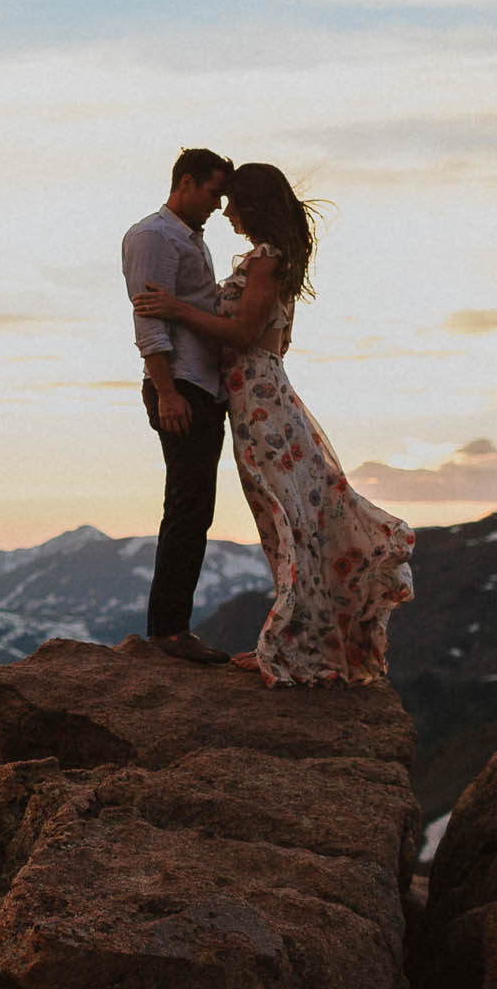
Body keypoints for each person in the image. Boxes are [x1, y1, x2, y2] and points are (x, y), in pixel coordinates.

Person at [132, 163, 414, 686]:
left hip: (259, 404)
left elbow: (242, 333)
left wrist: (176, 308)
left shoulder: (264, 259)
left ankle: (292, 646)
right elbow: (276, 340)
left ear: (254, 204)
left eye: (233, 200)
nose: (226, 211)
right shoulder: (268, 259)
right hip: (256, 396)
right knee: (284, 520)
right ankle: (303, 642)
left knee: (285, 521)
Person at [120, 147, 236, 664]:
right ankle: (168, 633)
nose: (218, 204)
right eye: (213, 192)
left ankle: (172, 628)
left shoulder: (189, 238)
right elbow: (149, 319)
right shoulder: (153, 236)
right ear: (185, 183)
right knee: (187, 506)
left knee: (196, 507)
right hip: (181, 384)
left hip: (201, 384)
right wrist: (166, 390)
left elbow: (188, 306)